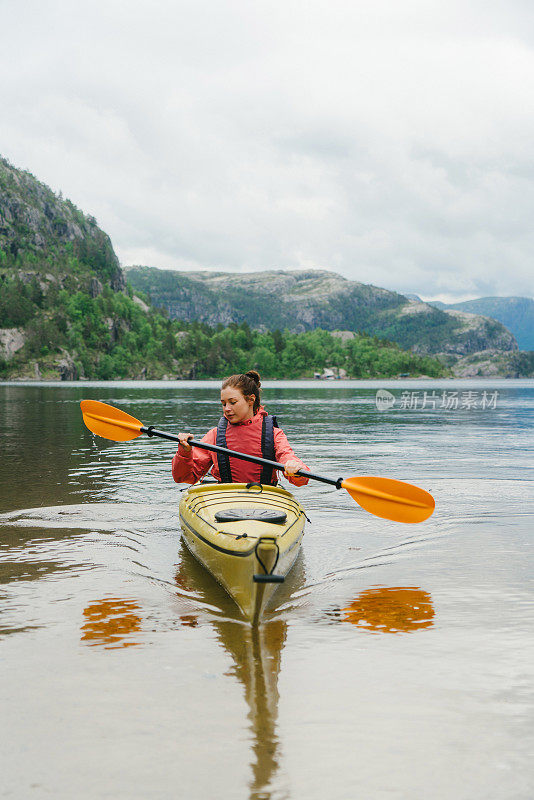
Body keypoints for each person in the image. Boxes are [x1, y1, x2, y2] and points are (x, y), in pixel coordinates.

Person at [172, 370, 309, 486]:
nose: (227, 409)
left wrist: (294, 467)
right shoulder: (215, 435)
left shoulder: (273, 434)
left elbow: (293, 466)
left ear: (251, 400)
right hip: (225, 498)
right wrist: (185, 452)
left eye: (233, 402)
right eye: (223, 404)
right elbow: (184, 477)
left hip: (264, 498)